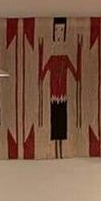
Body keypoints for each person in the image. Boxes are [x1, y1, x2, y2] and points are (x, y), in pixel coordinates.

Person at [38, 17, 83, 159]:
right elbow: (42, 75)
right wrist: (40, 54)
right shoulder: (52, 59)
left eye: (61, 31)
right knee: (56, 127)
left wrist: (79, 53)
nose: (59, 33)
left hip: (62, 98)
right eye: (57, 30)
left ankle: (61, 152)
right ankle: (57, 152)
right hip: (54, 98)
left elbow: (76, 76)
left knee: (61, 127)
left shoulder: (65, 59)